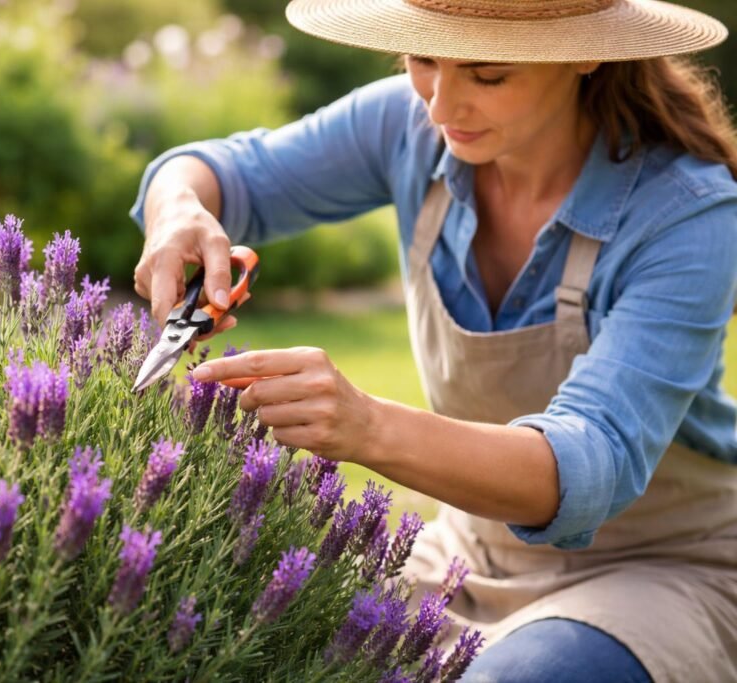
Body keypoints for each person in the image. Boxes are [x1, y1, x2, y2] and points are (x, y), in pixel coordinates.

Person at [130, 1, 737, 680]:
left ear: (583, 55)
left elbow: (593, 462)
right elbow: (231, 171)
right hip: (465, 554)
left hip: (660, 566)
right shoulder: (408, 128)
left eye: (488, 74)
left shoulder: (689, 214)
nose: (443, 104)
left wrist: (367, 425)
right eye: (424, 60)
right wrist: (177, 209)